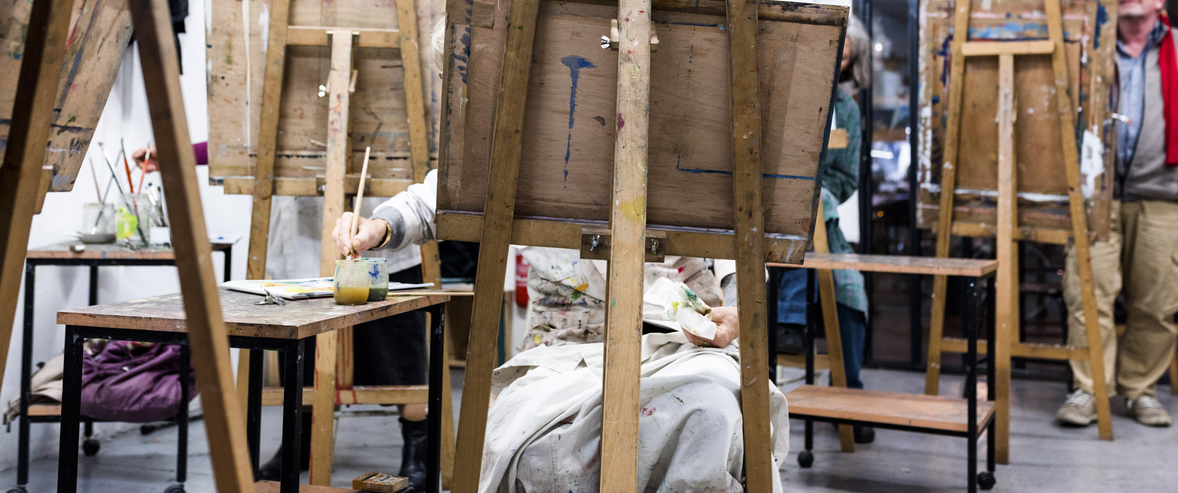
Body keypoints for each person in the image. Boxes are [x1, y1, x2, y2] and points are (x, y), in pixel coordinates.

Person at [335, 176, 792, 493]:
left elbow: (743, 237)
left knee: (712, 415)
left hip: (681, 344)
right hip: (562, 351)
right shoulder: (537, 131)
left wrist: (737, 309)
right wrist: (378, 227)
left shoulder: (688, 131)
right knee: (522, 445)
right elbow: (435, 199)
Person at [133, 145, 432, 487]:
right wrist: (178, 151)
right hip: (299, 227)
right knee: (304, 352)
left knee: (395, 346)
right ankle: (301, 438)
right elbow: (247, 135)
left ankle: (417, 441)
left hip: (374, 218)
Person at [1056, 0, 1178, 429]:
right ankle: (1089, 389)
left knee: (1156, 303)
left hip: (1164, 193)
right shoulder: (1086, 48)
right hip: (1094, 193)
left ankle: (1140, 391)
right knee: (1086, 293)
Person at [773, 14, 872, 444]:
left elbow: (846, 178)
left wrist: (818, 196)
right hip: (772, 215)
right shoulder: (788, 88)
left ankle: (849, 396)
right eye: (835, 50)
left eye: (845, 57)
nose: (837, 60)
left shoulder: (847, 110)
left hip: (822, 220)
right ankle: (787, 326)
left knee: (850, 289)